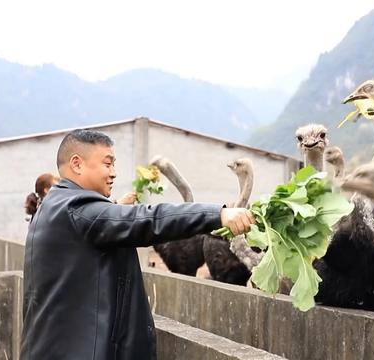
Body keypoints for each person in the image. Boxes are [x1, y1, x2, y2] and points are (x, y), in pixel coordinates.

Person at [20, 129, 254, 360]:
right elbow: (147, 219)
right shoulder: (76, 208)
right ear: (77, 164)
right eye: (107, 163)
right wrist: (217, 214)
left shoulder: (52, 207)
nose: (113, 173)